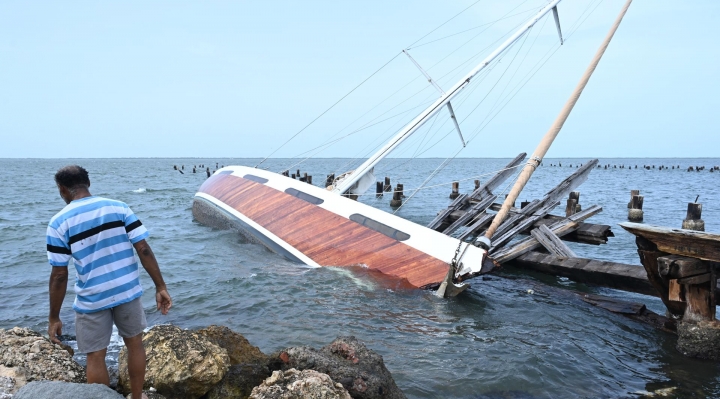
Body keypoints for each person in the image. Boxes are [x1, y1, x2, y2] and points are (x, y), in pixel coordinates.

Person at [46, 165, 172, 399]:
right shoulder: (119, 207)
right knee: (134, 344)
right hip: (127, 291)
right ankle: (136, 397)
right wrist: (160, 287)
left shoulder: (59, 222)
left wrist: (54, 316)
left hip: (92, 298)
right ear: (88, 183)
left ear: (63, 190)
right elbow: (143, 249)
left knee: (95, 355)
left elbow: (60, 275)